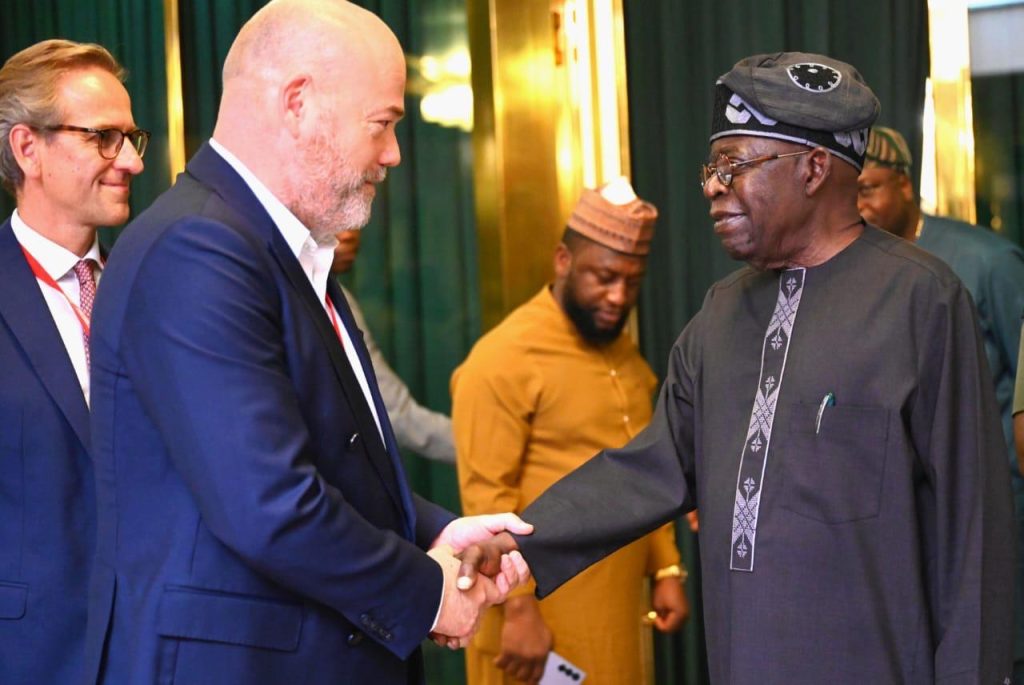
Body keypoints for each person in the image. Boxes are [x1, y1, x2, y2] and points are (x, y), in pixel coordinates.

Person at [464, 52, 1015, 683]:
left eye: (734, 166)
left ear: (812, 169)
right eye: (711, 168)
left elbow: (973, 529)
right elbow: (652, 465)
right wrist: (520, 541)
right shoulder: (721, 313)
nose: (711, 186)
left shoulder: (922, 301)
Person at [82, 2, 529, 684]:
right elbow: (269, 503)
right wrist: (429, 591)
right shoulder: (197, 249)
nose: (393, 153)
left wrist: (431, 531)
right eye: (382, 123)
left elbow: (327, 457)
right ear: (298, 104)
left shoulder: (271, 246)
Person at [451, 178, 689, 685]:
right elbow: (485, 496)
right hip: (536, 619)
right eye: (604, 277)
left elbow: (644, 466)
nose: (618, 296)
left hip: (613, 612)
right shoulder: (502, 359)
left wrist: (665, 567)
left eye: (631, 282)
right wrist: (518, 611)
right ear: (563, 260)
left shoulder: (621, 353)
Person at [0, 39, 147, 684]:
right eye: (103, 138)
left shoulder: (151, 288)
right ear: (27, 149)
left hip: (154, 651)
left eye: (132, 138)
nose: (132, 161)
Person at [857, 125, 1024, 680]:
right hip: (900, 520)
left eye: (869, 189)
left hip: (991, 504)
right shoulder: (854, 269)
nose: (859, 206)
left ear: (905, 186)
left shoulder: (986, 260)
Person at [331, 228, 455, 463]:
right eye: (334, 212)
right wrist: (486, 447)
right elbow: (393, 411)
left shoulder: (333, 294)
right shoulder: (325, 299)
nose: (349, 234)